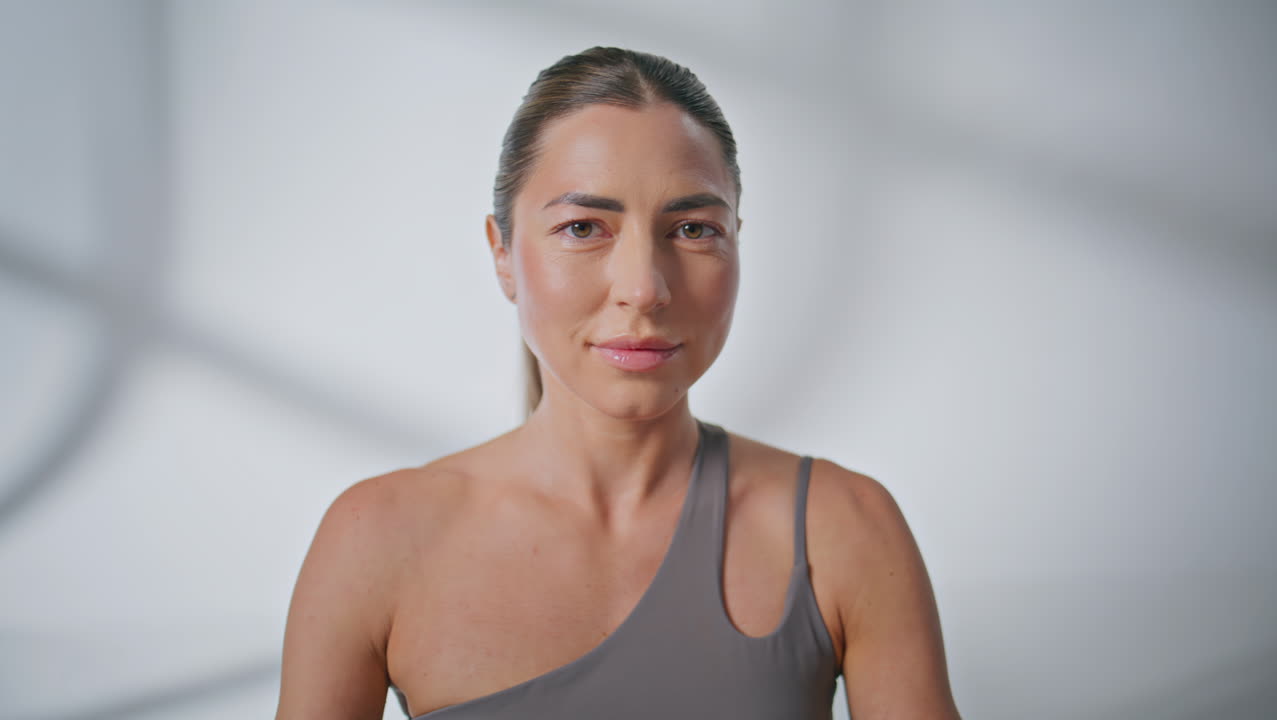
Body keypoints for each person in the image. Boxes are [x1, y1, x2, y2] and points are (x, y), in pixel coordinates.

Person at [275, 46, 962, 720]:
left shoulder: (842, 529)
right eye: (583, 227)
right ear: (502, 253)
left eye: (693, 228)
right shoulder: (376, 540)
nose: (644, 288)